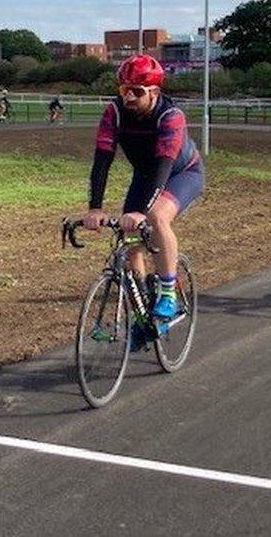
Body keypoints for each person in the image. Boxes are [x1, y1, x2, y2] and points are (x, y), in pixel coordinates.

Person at [82, 54, 205, 344]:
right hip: (145, 175)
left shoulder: (171, 116)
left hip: (181, 173)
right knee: (129, 238)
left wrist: (143, 211)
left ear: (154, 92)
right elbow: (102, 161)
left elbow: (163, 166)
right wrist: (95, 208)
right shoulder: (114, 112)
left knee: (157, 217)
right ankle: (142, 316)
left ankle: (168, 292)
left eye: (137, 91)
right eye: (125, 90)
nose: (129, 97)